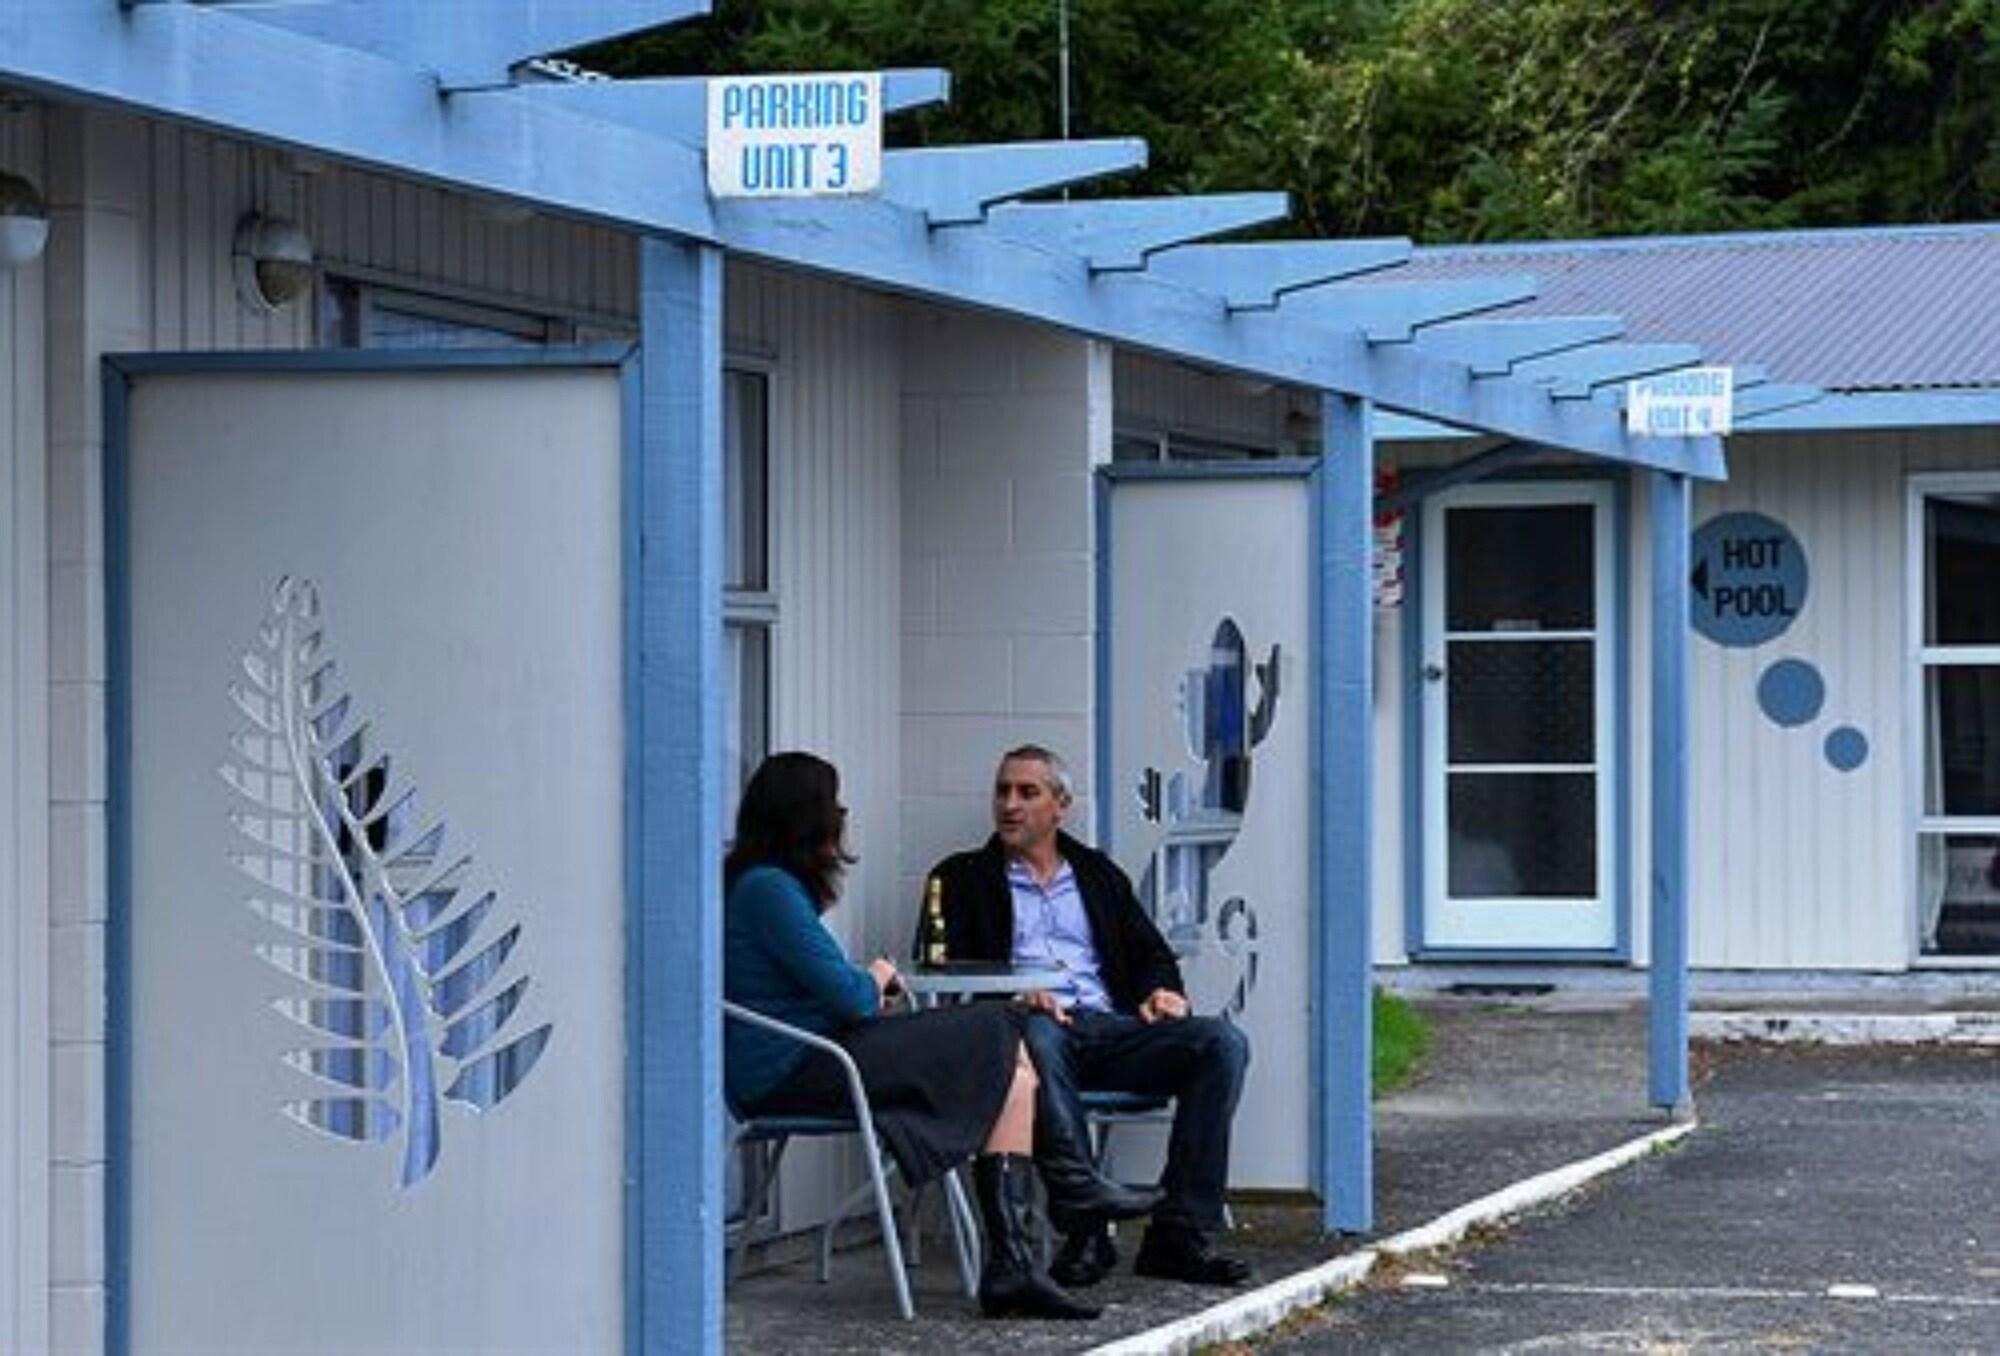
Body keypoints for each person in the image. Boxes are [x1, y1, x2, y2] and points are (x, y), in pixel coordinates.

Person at [723, 751, 1156, 1320]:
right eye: (833, 805)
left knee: (1015, 1068)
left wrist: (865, 985)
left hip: (819, 1054)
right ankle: (1069, 1193)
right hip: (792, 1068)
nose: (842, 815)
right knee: (1003, 1024)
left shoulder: (769, 886)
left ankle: (1016, 1265)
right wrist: (875, 977)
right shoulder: (769, 890)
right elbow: (850, 995)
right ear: (805, 816)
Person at [922, 745, 1253, 1289]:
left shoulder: (1097, 875)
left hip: (1109, 1032)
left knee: (1222, 1044)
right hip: (1027, 1040)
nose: (1010, 804)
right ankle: (1085, 1229)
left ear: (1060, 806)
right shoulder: (961, 878)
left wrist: (1161, 993)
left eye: (1027, 793)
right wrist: (1014, 997)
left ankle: (1179, 1233)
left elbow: (1150, 954)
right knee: (1039, 1031)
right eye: (1003, 791)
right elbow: (943, 973)